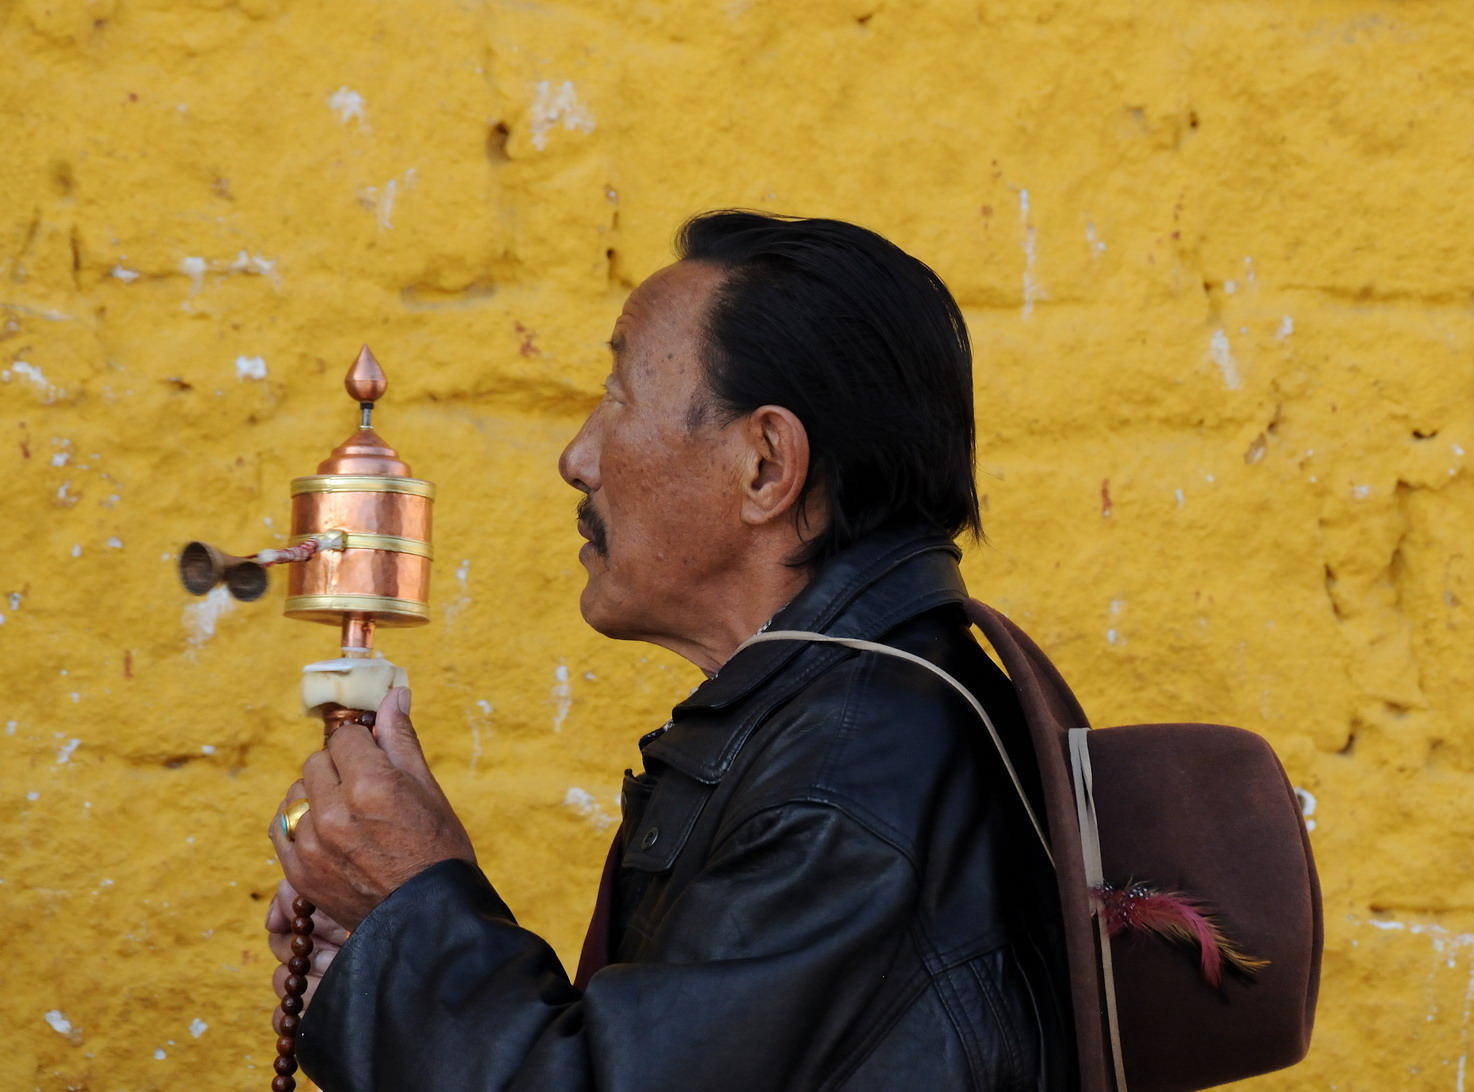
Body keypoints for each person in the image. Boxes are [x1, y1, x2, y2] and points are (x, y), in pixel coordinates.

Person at [267, 210, 1074, 1090]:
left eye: (618, 397)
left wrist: (412, 907)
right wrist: (377, 965)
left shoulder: (853, 774)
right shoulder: (840, 715)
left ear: (766, 466)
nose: (578, 458)